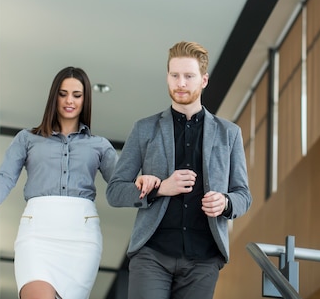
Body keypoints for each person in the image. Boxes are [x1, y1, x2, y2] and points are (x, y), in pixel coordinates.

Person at [106, 41, 252, 299]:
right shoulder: (144, 129)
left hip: (204, 259)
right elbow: (115, 191)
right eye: (175, 75)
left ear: (204, 80)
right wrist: (160, 188)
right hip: (151, 253)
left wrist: (226, 203)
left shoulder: (229, 133)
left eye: (189, 76)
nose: (181, 83)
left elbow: (243, 195)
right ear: (167, 77)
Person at [0, 66, 117, 299]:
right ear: (54, 97)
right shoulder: (27, 139)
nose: (69, 101)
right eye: (62, 94)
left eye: (77, 95)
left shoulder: (100, 145)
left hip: (81, 238)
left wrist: (153, 184)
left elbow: (122, 185)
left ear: (86, 99)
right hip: (37, 234)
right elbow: (5, 176)